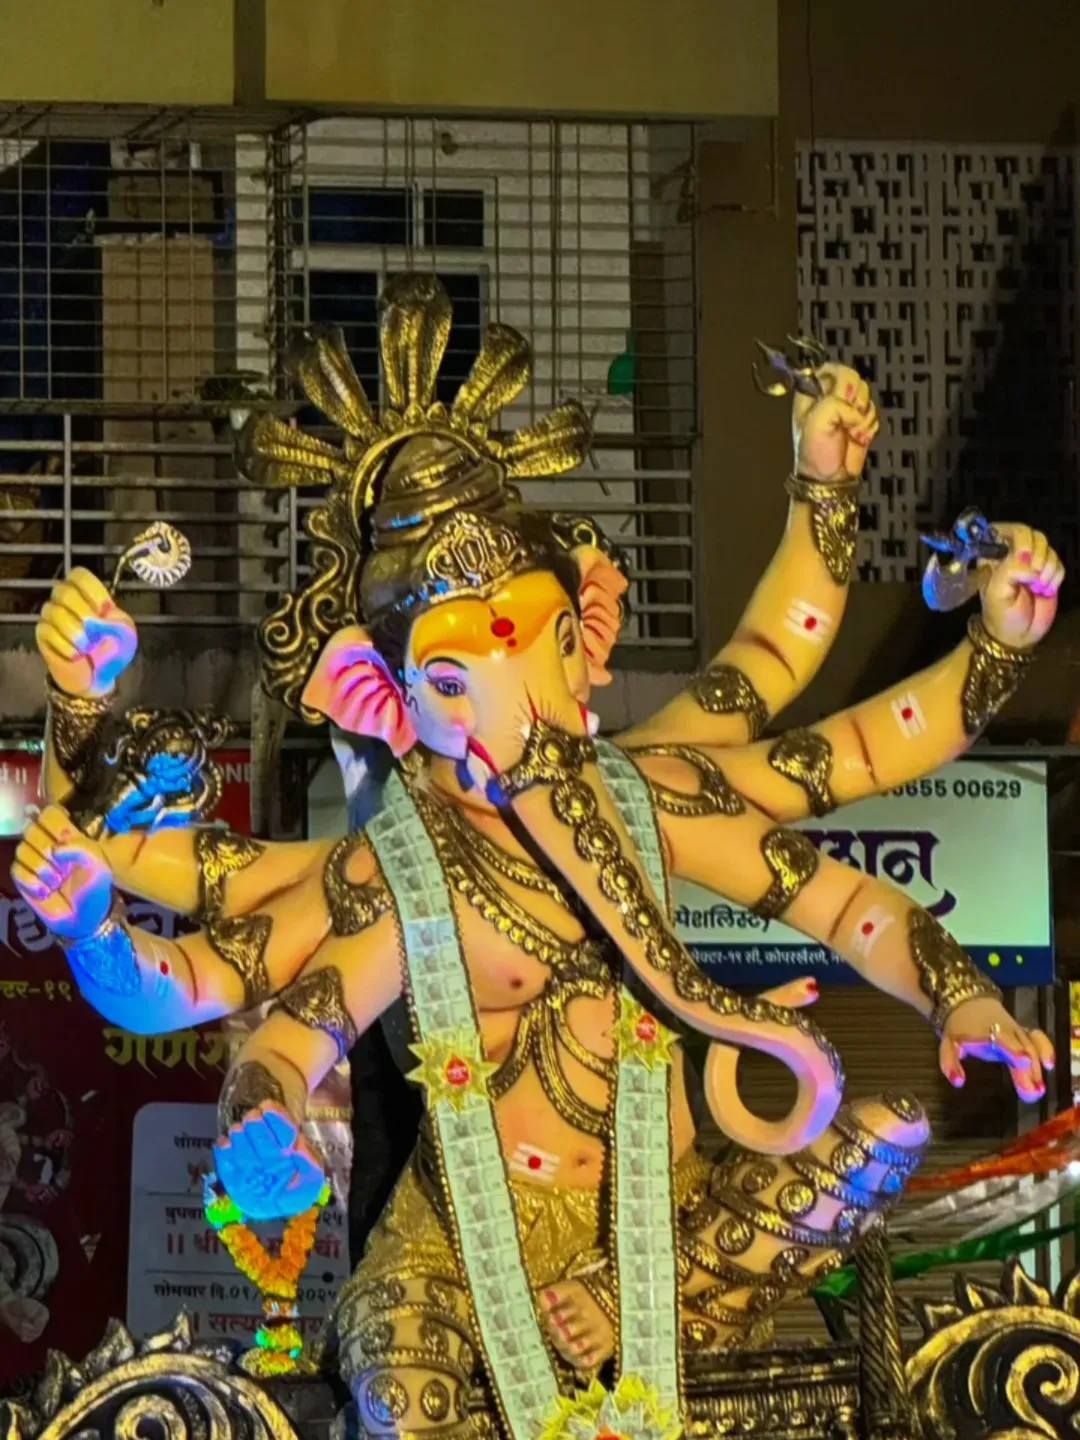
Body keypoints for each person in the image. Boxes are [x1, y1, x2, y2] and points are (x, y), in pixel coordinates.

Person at [12, 275, 1061, 1440]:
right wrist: (85, 800)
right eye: (454, 677)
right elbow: (196, 980)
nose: (525, 705)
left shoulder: (655, 796)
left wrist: (965, 987)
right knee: (401, 1386)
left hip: (671, 1239)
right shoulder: (403, 876)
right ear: (384, 697)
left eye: (548, 643)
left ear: (588, 634)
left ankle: (642, 1301)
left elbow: (832, 752)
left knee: (886, 1129)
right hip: (460, 1261)